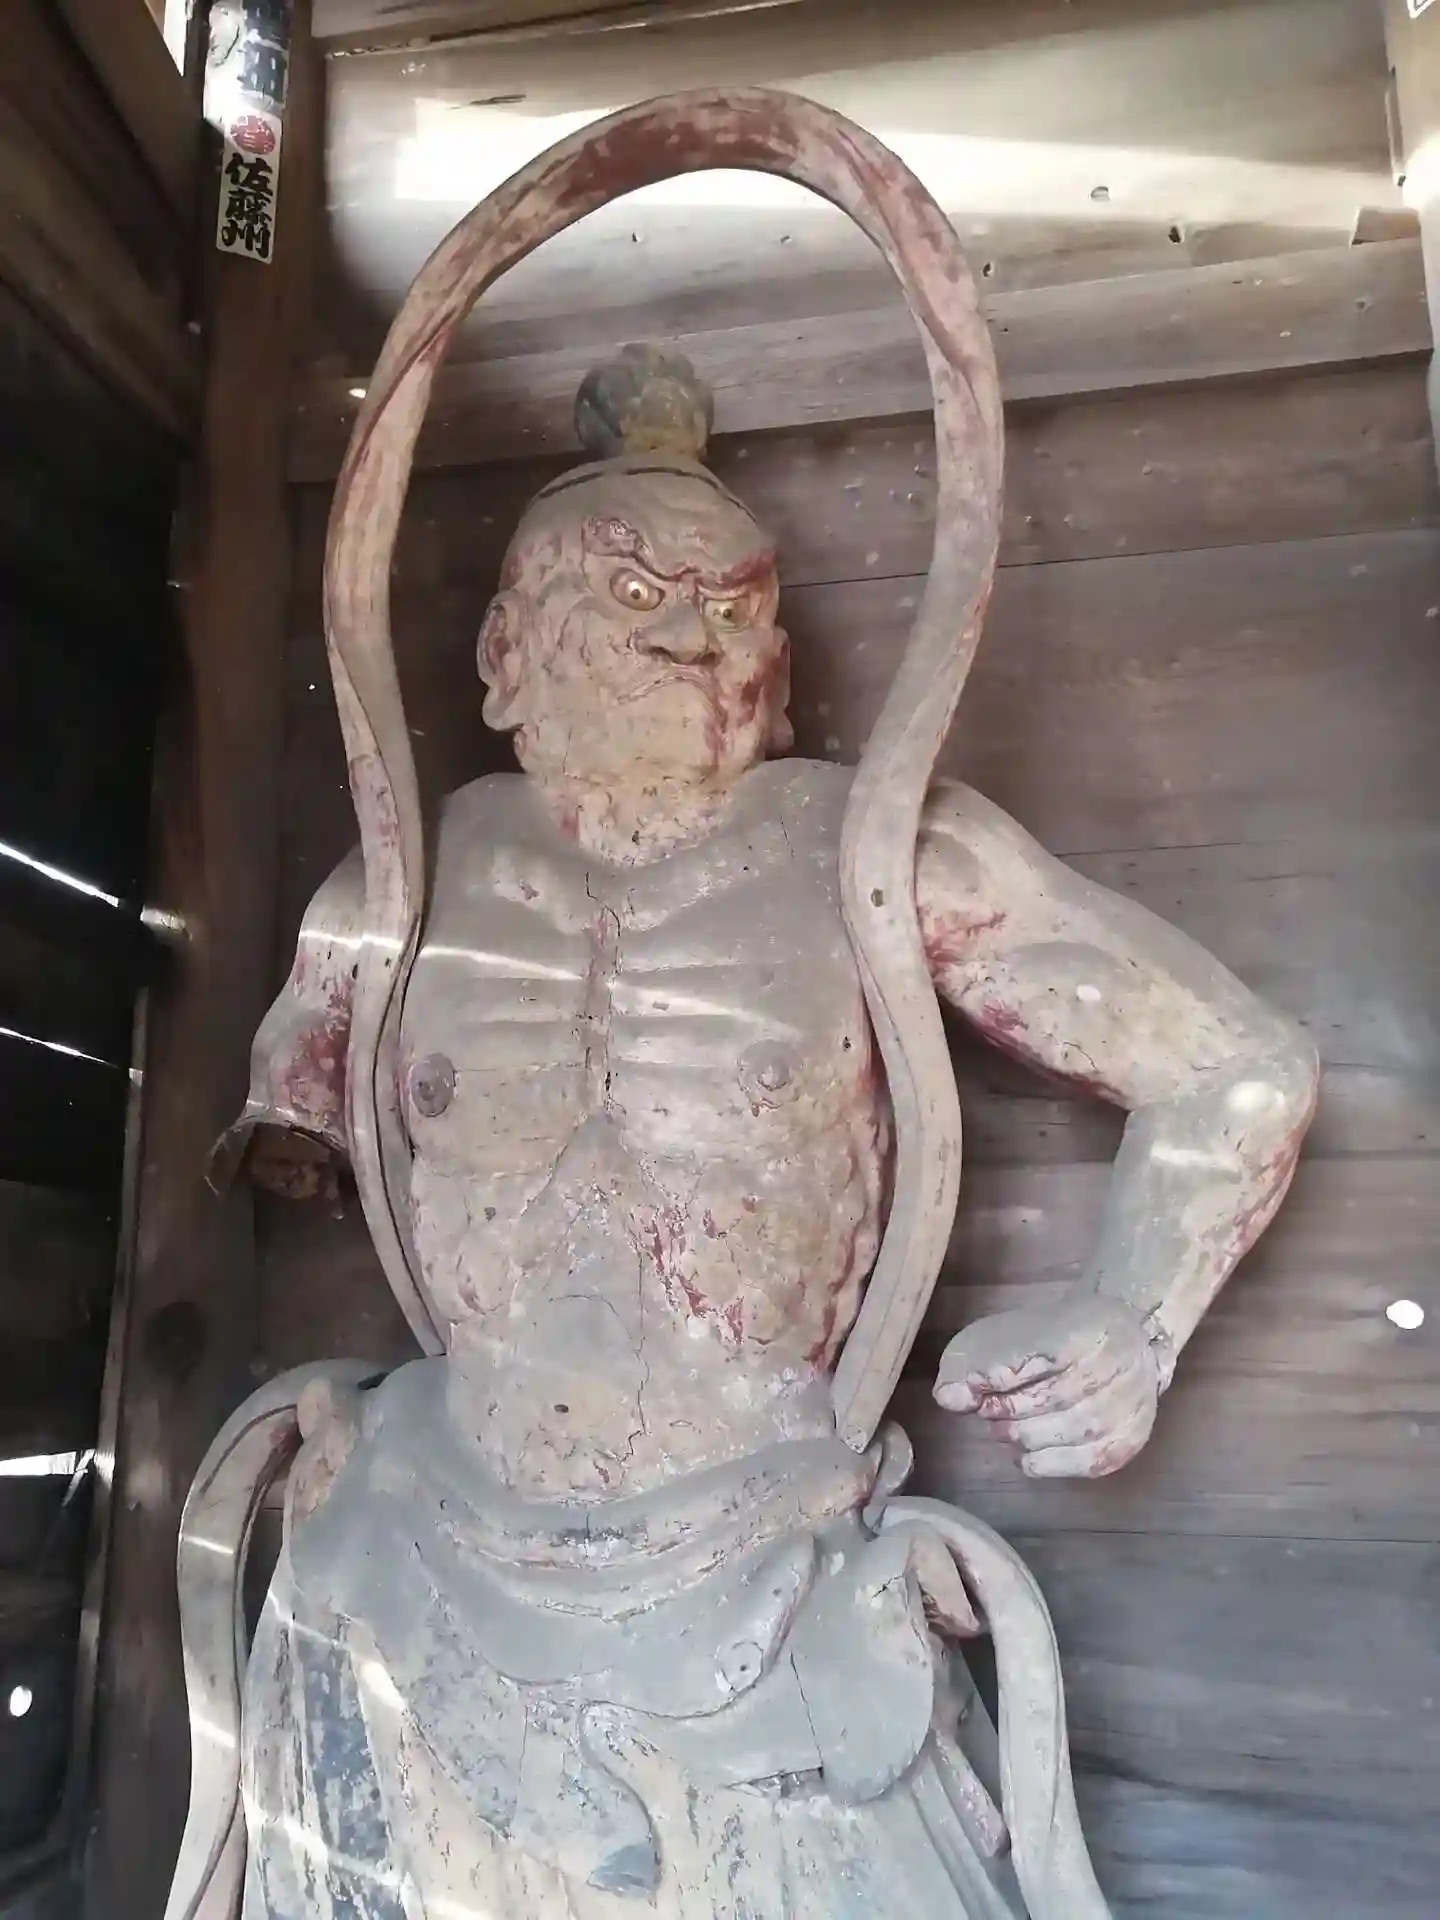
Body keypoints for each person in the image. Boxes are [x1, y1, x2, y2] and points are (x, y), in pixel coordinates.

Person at [175, 339, 1315, 1920]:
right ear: (508, 649)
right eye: (637, 594)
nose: (693, 638)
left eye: (734, 605)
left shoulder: (873, 852)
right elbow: (290, 1109)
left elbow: (1234, 1067)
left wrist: (1136, 1314)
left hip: (766, 1540)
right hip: (426, 1520)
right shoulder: (396, 893)